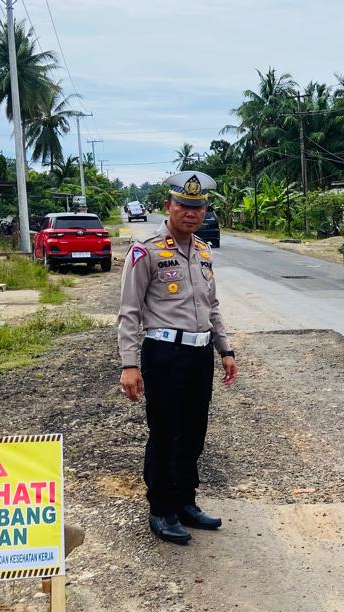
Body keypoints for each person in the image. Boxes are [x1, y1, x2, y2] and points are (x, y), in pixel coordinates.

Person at [117, 171, 238, 545]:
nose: (192, 213)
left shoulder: (203, 250)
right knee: (165, 432)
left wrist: (225, 349)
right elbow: (129, 311)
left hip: (200, 354)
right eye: (184, 205)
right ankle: (161, 508)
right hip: (164, 354)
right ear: (168, 206)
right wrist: (129, 364)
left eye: (198, 207)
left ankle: (186, 502)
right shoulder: (146, 251)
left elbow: (212, 306)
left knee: (193, 431)